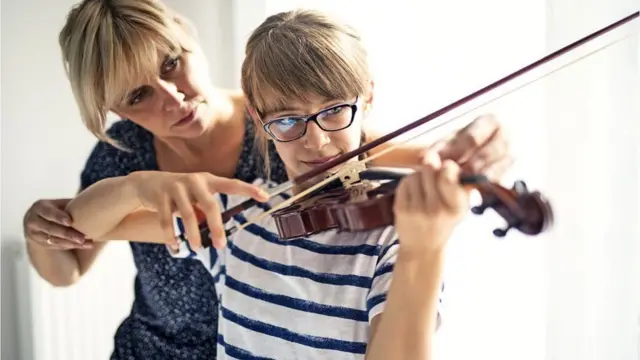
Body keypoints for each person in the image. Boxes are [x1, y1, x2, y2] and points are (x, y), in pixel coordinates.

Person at [21, 1, 513, 359]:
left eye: (172, 63)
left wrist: (472, 154)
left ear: (186, 36)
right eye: (138, 95)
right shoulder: (168, 181)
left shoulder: (290, 118)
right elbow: (71, 250)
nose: (173, 99)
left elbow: (373, 144)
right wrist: (131, 188)